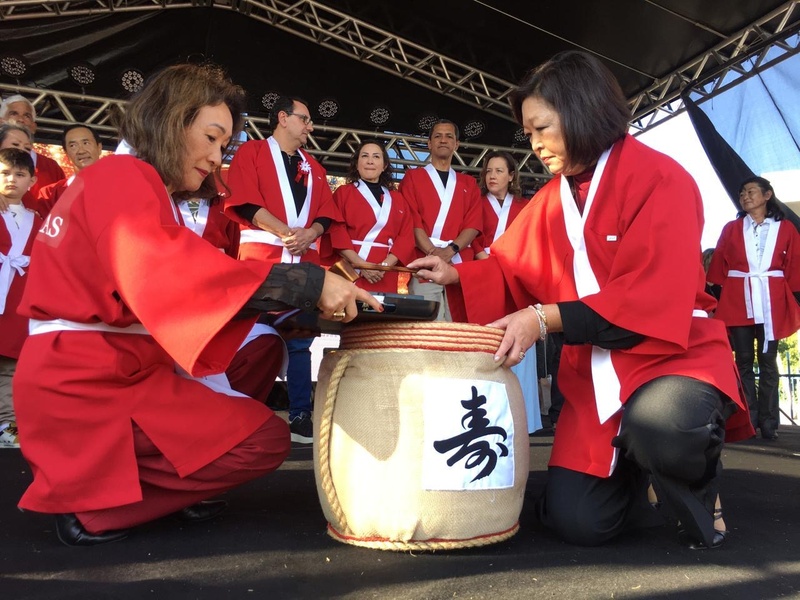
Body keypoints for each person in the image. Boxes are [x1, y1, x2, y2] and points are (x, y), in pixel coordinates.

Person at [13, 64, 379, 547]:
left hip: (111, 363)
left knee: (258, 350)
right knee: (264, 441)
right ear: (169, 121)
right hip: (93, 381)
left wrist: (284, 308)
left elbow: (172, 278)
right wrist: (306, 282)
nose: (215, 157)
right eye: (210, 138)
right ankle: (99, 510)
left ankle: (172, 474)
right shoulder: (122, 176)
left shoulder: (129, 180)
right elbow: (163, 268)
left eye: (223, 146)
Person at [409, 50, 752, 550]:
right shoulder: (553, 198)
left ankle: (692, 485)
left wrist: (542, 318)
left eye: (542, 128)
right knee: (577, 522)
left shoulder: (662, 178)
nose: (535, 146)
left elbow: (649, 297)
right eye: (528, 134)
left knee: (663, 426)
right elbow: (512, 268)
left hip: (671, 357)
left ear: (581, 110)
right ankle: (635, 470)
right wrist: (455, 275)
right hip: (598, 372)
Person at [224, 96, 342, 444]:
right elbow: (244, 202)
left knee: (301, 339)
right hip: (261, 259)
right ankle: (241, 412)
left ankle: (301, 414)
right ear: (283, 118)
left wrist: (310, 234)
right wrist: (288, 233)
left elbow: (326, 213)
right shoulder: (253, 153)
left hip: (302, 260)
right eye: (305, 119)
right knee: (251, 337)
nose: (311, 126)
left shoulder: (314, 167)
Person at [707, 177, 800, 440]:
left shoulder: (786, 229)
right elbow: (718, 270)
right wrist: (715, 300)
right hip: (739, 300)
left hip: (772, 301)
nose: (745, 196)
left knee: (769, 361)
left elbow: (794, 267)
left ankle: (770, 422)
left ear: (767, 195)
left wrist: (793, 301)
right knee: (744, 361)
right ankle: (749, 419)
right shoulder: (731, 228)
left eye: (751, 191)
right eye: (741, 193)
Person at [472, 151, 541, 433]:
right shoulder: (475, 204)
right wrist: (478, 254)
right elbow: (470, 234)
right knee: (488, 340)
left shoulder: (525, 206)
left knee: (520, 342)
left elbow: (535, 238)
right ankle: (488, 415)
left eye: (499, 171)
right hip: (484, 274)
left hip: (516, 277)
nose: (492, 176)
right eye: (489, 171)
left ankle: (522, 415)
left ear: (511, 175)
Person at [398, 119, 482, 321]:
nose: (443, 140)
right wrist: (432, 253)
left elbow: (473, 224)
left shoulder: (468, 183)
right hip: (424, 261)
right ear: (429, 143)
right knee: (427, 326)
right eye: (437, 136)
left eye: (449, 136)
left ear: (456, 144)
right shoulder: (412, 177)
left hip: (459, 262)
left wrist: (451, 250)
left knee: (460, 326)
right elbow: (412, 221)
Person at [329, 140, 415, 293]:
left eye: (376, 157)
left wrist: (384, 267)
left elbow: (406, 237)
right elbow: (336, 233)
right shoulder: (343, 193)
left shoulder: (398, 199)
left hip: (385, 274)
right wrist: (362, 265)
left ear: (384, 166)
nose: (370, 161)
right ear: (357, 164)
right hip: (351, 268)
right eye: (364, 156)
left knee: (381, 313)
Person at [0, 148, 41, 449]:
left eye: (19, 174)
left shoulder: (40, 222)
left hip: (17, 303)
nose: (11, 179)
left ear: (32, 180)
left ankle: (7, 424)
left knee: (10, 368)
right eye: (4, 173)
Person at [0, 95, 65, 198]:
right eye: (14, 113)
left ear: (34, 127)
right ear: (1, 122)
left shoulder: (51, 167)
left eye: (27, 116)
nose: (20, 119)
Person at [36, 124, 104, 216]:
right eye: (73, 145)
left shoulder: (119, 186)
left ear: (99, 147)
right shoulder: (50, 194)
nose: (81, 151)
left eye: (86, 143)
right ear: (66, 153)